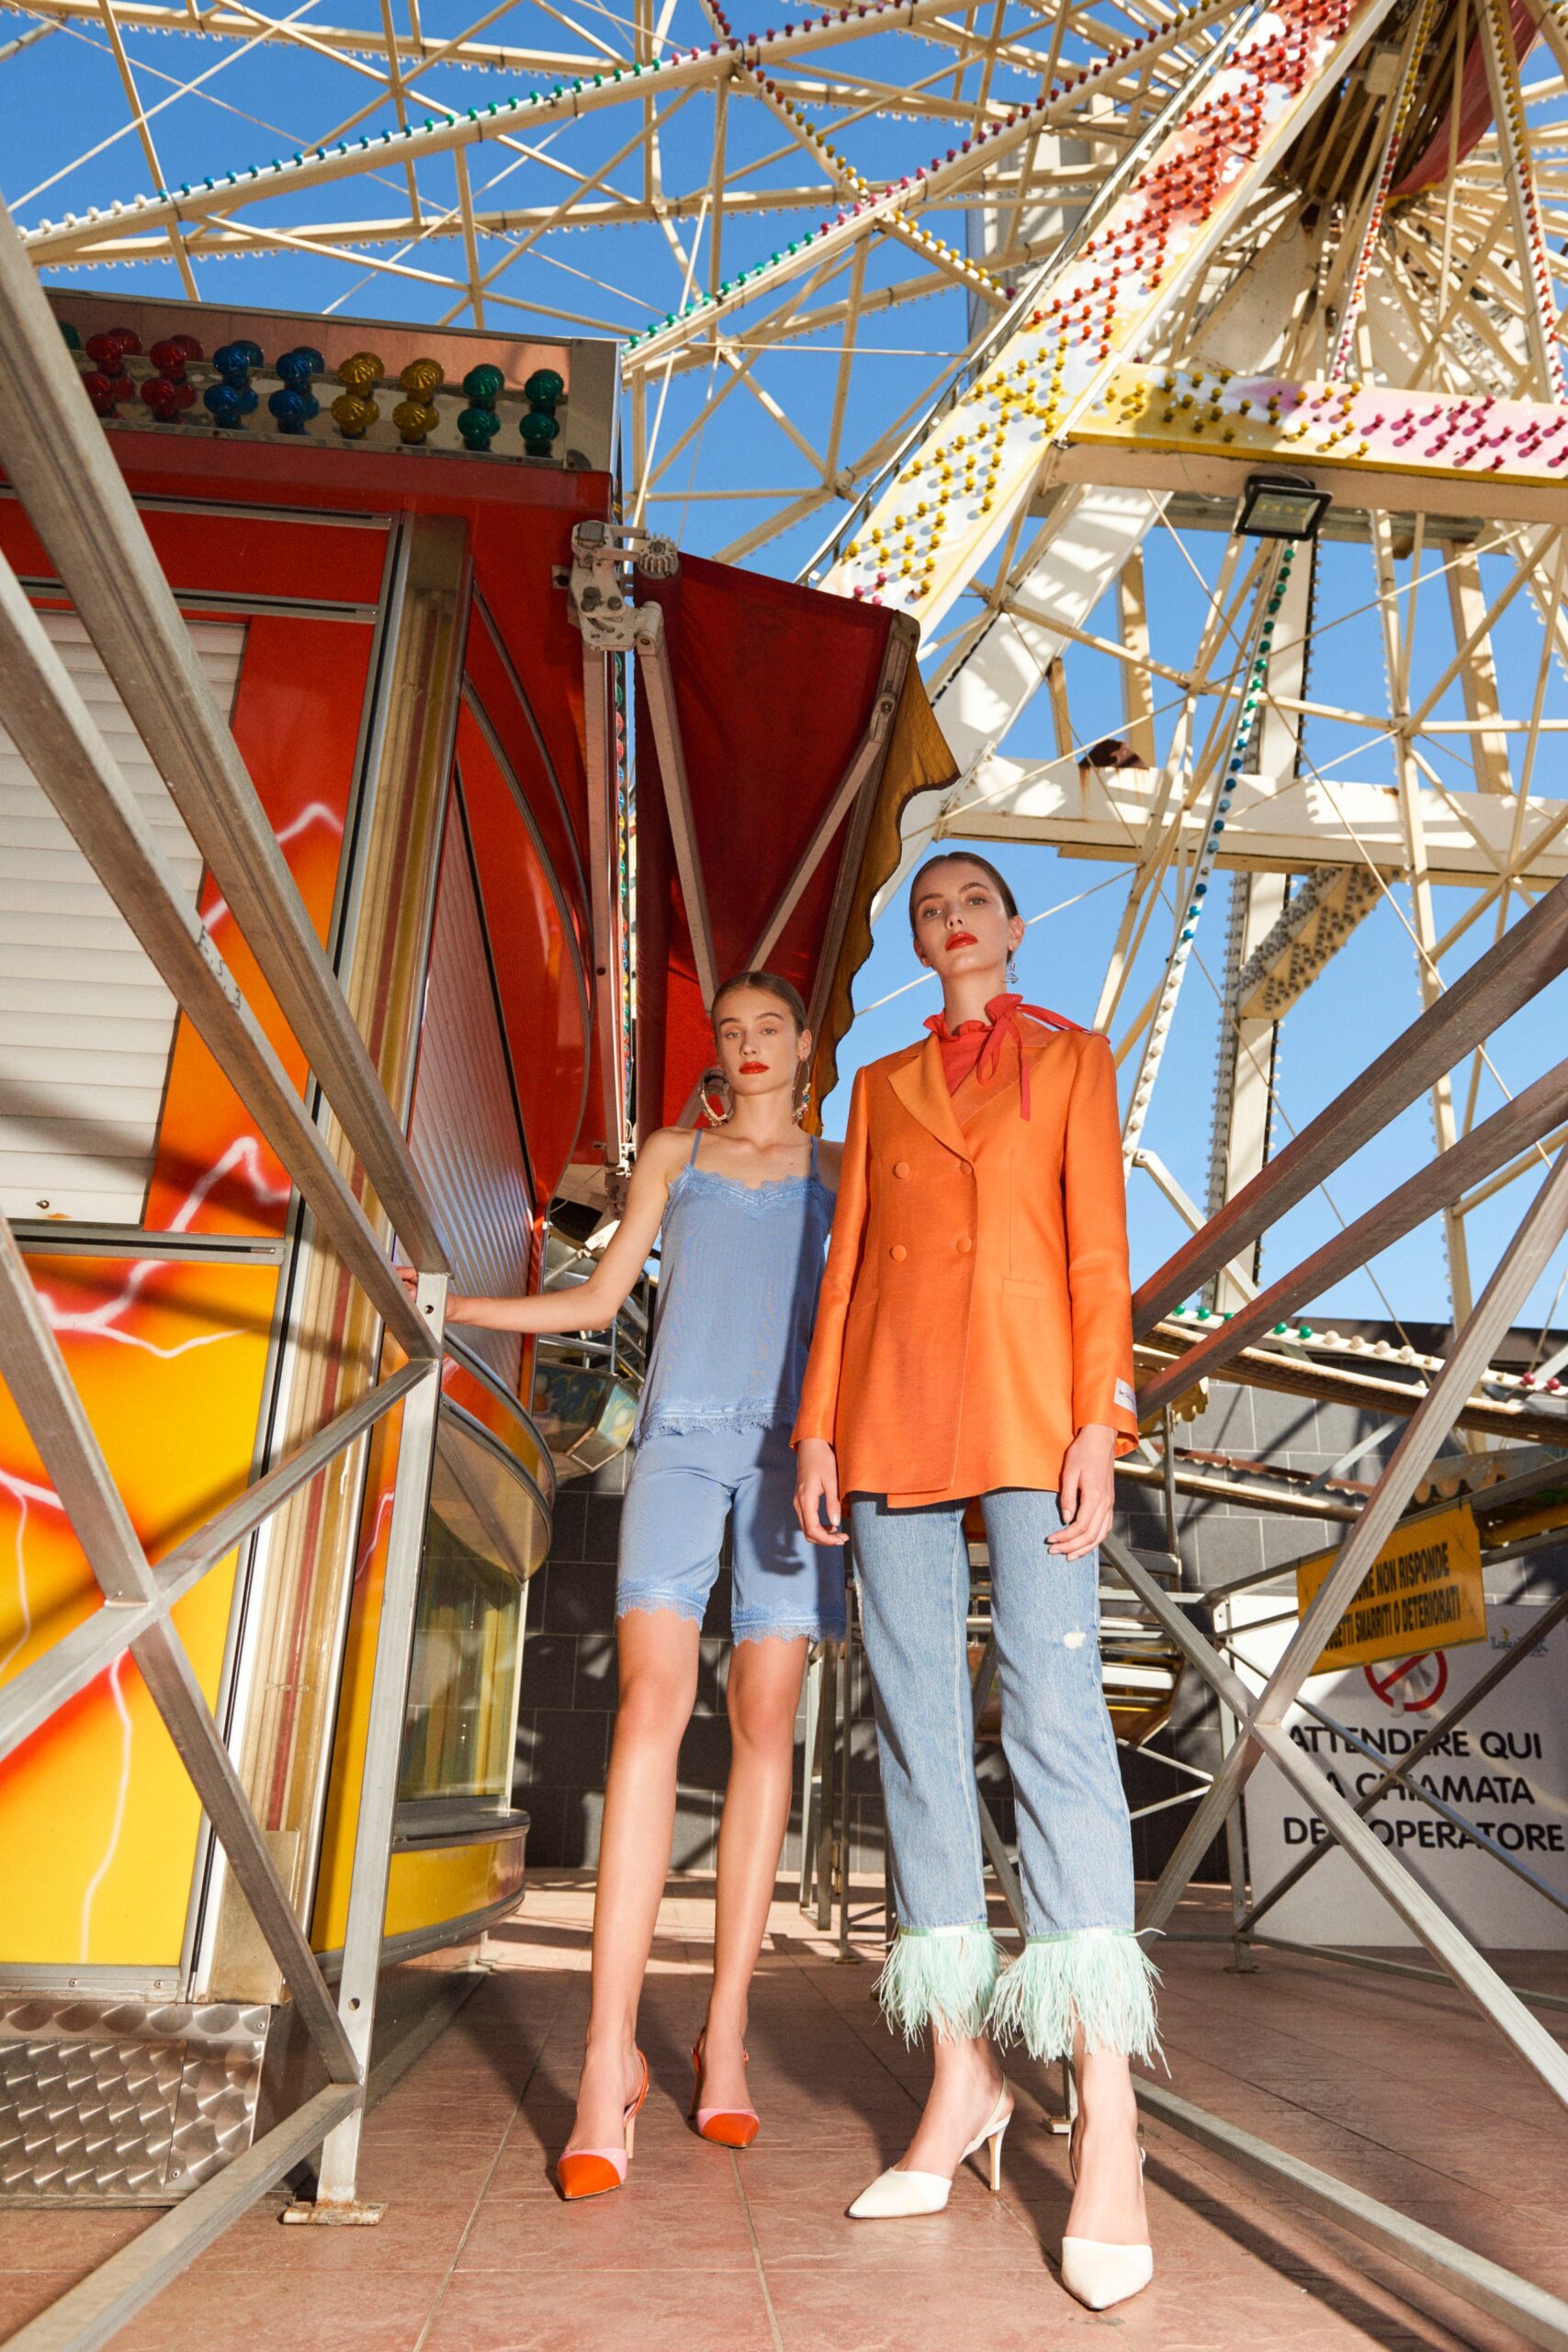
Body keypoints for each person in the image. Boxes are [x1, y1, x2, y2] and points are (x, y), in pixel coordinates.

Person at [407, 972, 842, 2200]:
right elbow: (602, 1299)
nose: (750, 1048)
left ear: (808, 1047)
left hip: (795, 1456)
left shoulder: (843, 1164)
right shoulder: (673, 1153)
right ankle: (607, 2060)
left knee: (766, 1723)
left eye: (772, 1031)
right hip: (680, 1447)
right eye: (734, 1033)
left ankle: (724, 2035)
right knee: (648, 1709)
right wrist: (453, 1308)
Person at [792, 853, 1157, 2312]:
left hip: (1029, 1405)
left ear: (1010, 929)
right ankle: (961, 2078)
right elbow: (846, 1274)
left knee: (1055, 1719)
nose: (951, 919)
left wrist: (1099, 1419)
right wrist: (815, 1427)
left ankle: (1108, 2117)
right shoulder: (875, 1085)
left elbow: (1096, 1248)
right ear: (923, 937)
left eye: (974, 902)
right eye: (931, 904)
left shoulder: (1074, 1061)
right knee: (920, 1742)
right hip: (883, 1411)